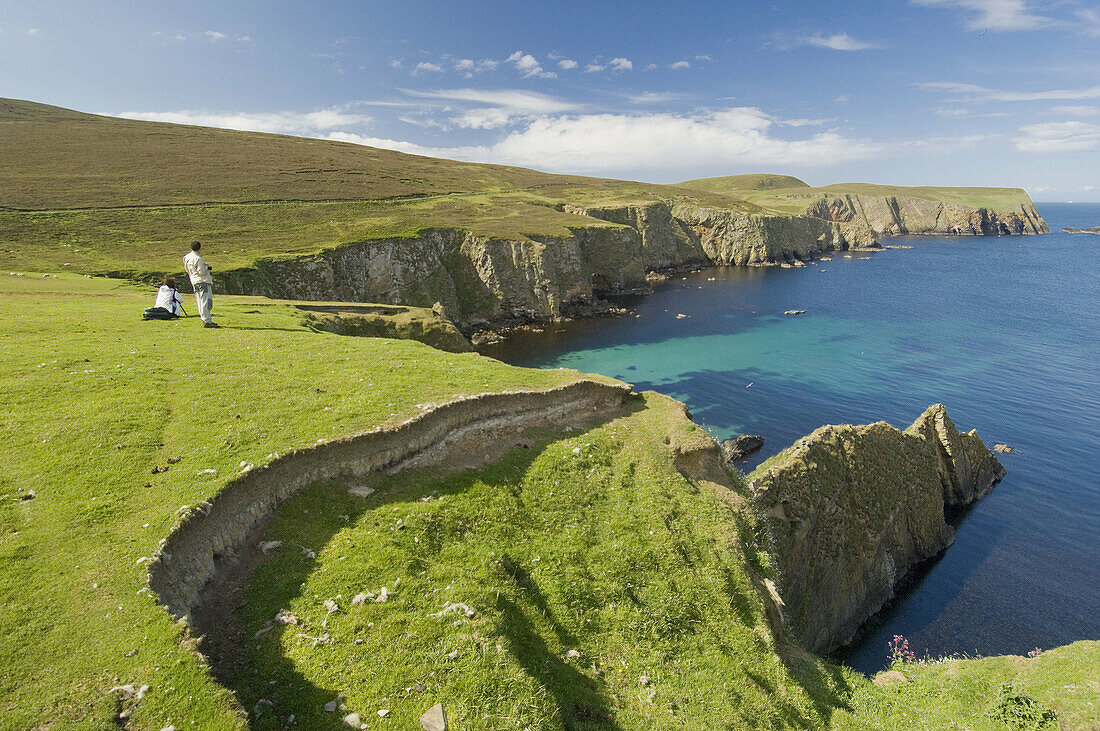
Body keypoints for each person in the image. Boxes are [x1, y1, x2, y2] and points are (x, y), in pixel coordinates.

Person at [183, 241, 219, 328]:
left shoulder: (186, 257)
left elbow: (187, 269)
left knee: (199, 301)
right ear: (199, 248)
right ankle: (207, 320)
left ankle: (204, 319)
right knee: (205, 301)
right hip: (202, 281)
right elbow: (202, 272)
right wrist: (206, 266)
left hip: (194, 280)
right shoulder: (198, 259)